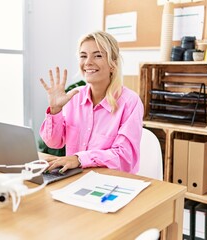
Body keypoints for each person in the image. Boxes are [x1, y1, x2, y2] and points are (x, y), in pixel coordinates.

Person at [39, 30, 143, 174]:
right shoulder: (74, 97)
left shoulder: (130, 102)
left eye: (98, 55)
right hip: (77, 178)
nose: (88, 62)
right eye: (83, 56)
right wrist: (55, 110)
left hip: (113, 182)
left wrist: (80, 159)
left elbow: (124, 158)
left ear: (112, 64)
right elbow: (54, 142)